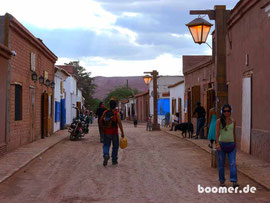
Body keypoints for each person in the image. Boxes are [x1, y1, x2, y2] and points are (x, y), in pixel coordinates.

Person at [216, 104, 239, 188]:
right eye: (225, 111)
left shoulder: (233, 121)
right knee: (221, 164)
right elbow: (217, 133)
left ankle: (234, 181)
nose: (226, 113)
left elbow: (234, 133)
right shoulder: (219, 121)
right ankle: (222, 181)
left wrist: (235, 145)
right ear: (222, 112)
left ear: (230, 112)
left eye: (228, 111)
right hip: (222, 145)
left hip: (231, 145)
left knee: (233, 163)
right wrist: (217, 144)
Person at [100, 100, 125, 166]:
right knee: (115, 146)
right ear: (115, 106)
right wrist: (122, 132)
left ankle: (106, 154)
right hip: (114, 133)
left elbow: (100, 120)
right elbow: (119, 123)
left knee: (106, 145)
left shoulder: (105, 112)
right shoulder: (117, 114)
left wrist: (103, 128)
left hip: (106, 132)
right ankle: (114, 160)